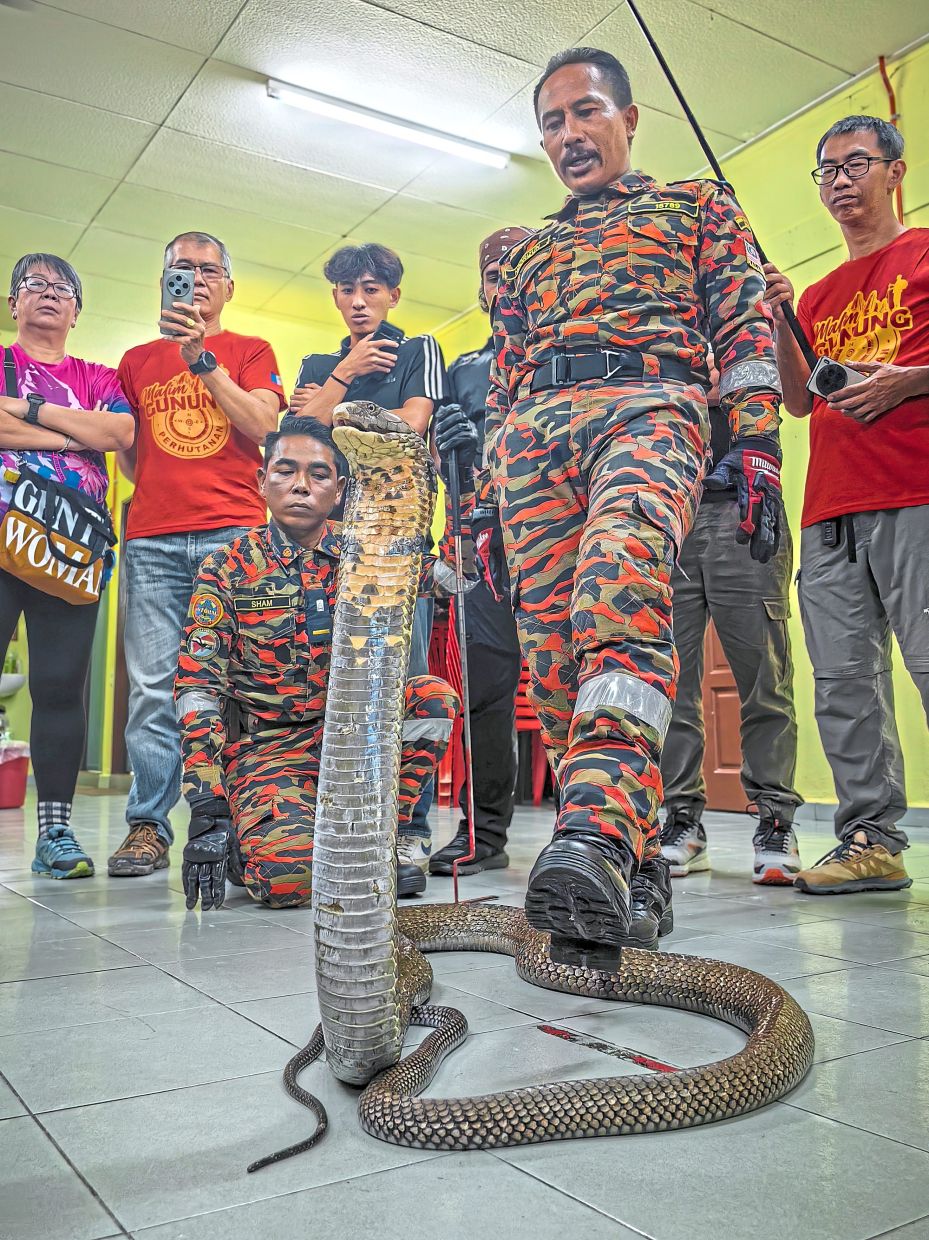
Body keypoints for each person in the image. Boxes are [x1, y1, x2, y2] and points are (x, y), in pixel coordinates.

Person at [481, 47, 784, 961]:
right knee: (551, 660)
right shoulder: (525, 250)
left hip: (651, 409)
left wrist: (759, 442)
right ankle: (636, 856)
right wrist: (485, 497)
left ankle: (594, 835)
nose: (569, 134)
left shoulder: (694, 204)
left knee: (615, 593)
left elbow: (741, 322)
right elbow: (503, 379)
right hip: (533, 440)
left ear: (628, 116)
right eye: (551, 122)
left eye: (586, 112)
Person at [175, 415, 460, 909]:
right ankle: (256, 830)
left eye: (319, 474)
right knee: (292, 883)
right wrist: (206, 802)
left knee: (430, 698)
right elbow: (199, 686)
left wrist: (464, 481)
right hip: (268, 747)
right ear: (262, 483)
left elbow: (463, 584)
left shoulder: (368, 550)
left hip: (352, 741)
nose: (301, 485)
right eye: (285, 471)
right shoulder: (228, 565)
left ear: (341, 489)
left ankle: (385, 834)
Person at [764, 115, 928, 896]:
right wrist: (778, 318)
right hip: (827, 511)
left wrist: (907, 377)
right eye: (824, 170)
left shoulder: (924, 252)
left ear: (895, 172)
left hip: (915, 492)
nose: (836, 180)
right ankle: (870, 841)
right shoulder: (821, 293)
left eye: (853, 164)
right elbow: (797, 403)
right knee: (843, 684)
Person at [110, 232, 286, 879]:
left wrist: (201, 360)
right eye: (181, 269)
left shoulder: (250, 351)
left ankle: (243, 825)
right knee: (153, 689)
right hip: (153, 539)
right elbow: (130, 452)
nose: (196, 278)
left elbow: (266, 429)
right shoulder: (133, 361)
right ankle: (148, 827)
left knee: (242, 684)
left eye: (208, 269)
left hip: (235, 536)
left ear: (228, 286)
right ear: (164, 282)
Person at [292, 243, 447, 881]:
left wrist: (333, 407)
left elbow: (411, 425)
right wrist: (347, 372)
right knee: (333, 687)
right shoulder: (323, 362)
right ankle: (336, 824)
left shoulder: (420, 351)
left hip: (398, 545)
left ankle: (407, 831)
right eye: (347, 290)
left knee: (405, 691)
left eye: (372, 290)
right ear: (334, 297)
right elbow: (299, 435)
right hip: (327, 547)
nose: (359, 301)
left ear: (393, 295)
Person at [0, 253, 134, 879]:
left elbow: (117, 435)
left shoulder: (99, 375)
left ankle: (55, 833)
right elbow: (92, 435)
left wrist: (22, 415)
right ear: (13, 303)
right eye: (34, 286)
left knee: (59, 688)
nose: (48, 295)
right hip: (1, 546)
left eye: (62, 289)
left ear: (77, 311)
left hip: (74, 553)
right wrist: (70, 435)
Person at [659, 360, 802, 884]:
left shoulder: (749, 312)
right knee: (671, 682)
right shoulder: (660, 316)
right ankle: (681, 821)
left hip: (744, 508)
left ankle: (775, 821)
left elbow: (775, 391)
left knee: (764, 679)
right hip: (671, 511)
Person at [430, 226, 534, 877]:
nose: (504, 289)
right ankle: (482, 833)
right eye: (493, 278)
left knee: (578, 682)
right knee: (486, 694)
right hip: (482, 549)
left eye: (515, 276)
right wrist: (451, 446)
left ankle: (606, 829)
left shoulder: (569, 353)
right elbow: (450, 475)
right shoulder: (463, 369)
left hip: (559, 541)